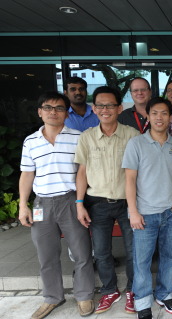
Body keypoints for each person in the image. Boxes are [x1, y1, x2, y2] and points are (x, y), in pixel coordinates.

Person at [19, 92, 95, 319]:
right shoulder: (30, 141)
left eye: (59, 108)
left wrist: (81, 202)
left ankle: (84, 296)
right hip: (42, 203)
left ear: (66, 112)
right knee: (46, 255)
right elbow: (26, 174)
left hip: (71, 200)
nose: (53, 112)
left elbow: (84, 172)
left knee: (82, 252)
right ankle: (52, 297)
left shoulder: (78, 137)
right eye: (48, 107)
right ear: (40, 112)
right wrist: (23, 205)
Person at [75, 86, 140, 314]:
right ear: (94, 109)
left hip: (126, 203)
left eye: (110, 105)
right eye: (100, 105)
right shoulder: (87, 137)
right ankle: (109, 290)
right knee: (101, 252)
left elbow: (139, 172)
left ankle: (133, 290)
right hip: (97, 203)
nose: (105, 109)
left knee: (134, 251)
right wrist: (79, 203)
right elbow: (82, 173)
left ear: (120, 108)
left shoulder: (132, 135)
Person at [122, 97, 172, 319]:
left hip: (171, 212)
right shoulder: (136, 143)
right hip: (145, 214)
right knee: (142, 261)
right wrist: (133, 212)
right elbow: (129, 180)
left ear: (171, 117)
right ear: (148, 116)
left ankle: (165, 294)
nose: (160, 117)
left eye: (164, 113)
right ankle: (142, 301)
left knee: (170, 256)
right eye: (155, 113)